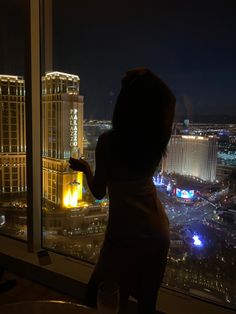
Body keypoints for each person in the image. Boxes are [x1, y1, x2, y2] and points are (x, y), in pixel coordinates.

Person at [69, 68, 175, 314]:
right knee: (147, 305)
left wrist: (85, 169)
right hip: (156, 235)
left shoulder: (107, 143)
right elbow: (169, 101)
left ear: (122, 107)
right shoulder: (153, 144)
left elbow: (98, 192)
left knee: (99, 301)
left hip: (121, 239)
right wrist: (146, 77)